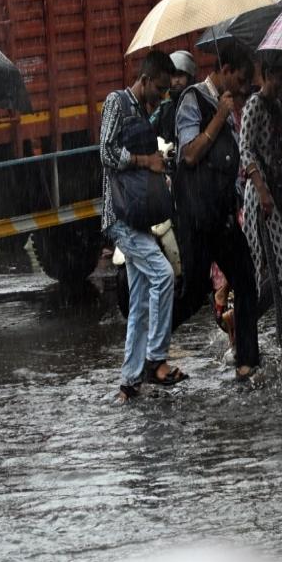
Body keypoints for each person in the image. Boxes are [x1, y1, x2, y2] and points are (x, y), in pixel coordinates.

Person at [172, 43, 262, 382]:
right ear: (224, 71)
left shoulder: (231, 106)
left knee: (246, 281)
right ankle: (151, 346)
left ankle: (247, 362)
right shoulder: (193, 101)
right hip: (197, 219)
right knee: (193, 293)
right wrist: (220, 117)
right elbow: (190, 154)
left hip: (223, 216)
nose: (243, 88)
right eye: (240, 79)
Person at [100, 50, 186, 402]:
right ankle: (155, 360)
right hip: (119, 219)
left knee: (138, 304)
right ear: (145, 79)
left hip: (138, 220)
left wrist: (158, 163)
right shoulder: (117, 103)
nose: (162, 95)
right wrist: (142, 160)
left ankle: (129, 384)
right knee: (164, 275)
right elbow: (104, 151)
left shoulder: (143, 112)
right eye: (160, 88)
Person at [240, 56, 282, 359]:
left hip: (279, 190)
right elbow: (245, 149)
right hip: (260, 193)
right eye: (277, 77)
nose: (281, 83)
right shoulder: (253, 105)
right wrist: (262, 190)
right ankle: (247, 326)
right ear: (266, 75)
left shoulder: (280, 107)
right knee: (263, 263)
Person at [153, 50, 198, 146]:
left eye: (181, 75)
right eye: (174, 76)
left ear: (189, 77)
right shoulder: (164, 108)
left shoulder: (199, 103)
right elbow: (150, 127)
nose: (177, 80)